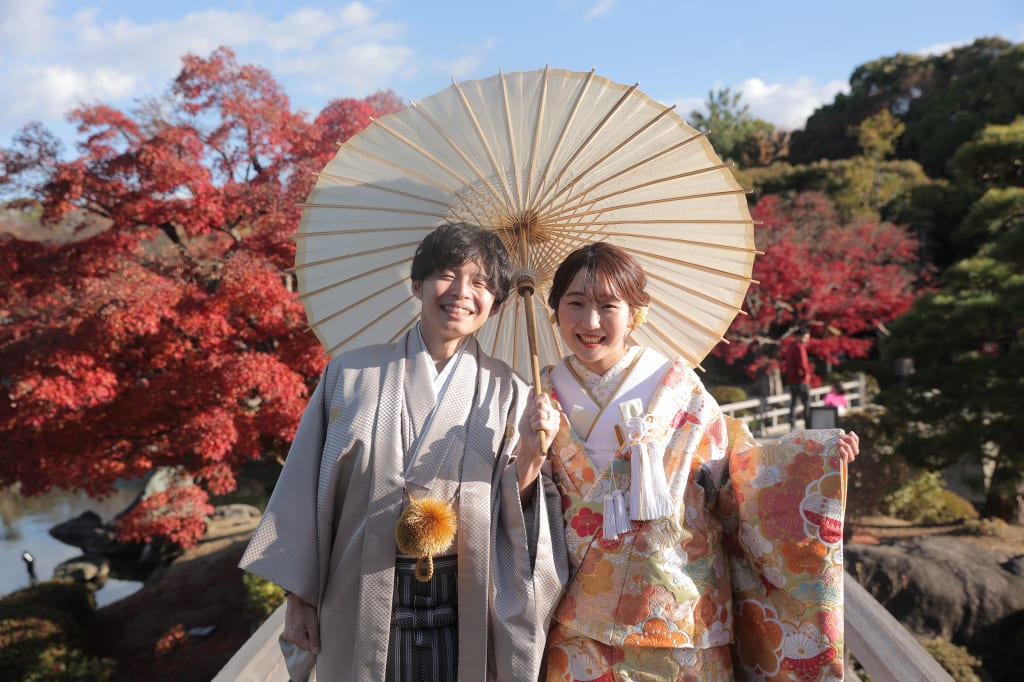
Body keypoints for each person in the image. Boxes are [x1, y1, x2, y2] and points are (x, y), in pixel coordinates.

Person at [240, 222, 568, 681]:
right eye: (447, 274)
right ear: (417, 284)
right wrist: (299, 600)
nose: (461, 292)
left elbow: (521, 520)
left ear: (495, 305)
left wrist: (532, 457)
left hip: (467, 596)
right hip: (361, 589)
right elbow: (304, 491)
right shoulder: (349, 376)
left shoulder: (512, 392)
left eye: (480, 283)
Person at [538, 243, 859, 680]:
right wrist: (529, 443)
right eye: (574, 303)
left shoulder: (675, 384)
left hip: (679, 604)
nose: (590, 322)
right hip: (577, 611)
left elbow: (730, 475)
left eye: (607, 305)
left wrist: (815, 461)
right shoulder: (541, 393)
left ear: (636, 313)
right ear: (553, 307)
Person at [784, 329, 812, 428]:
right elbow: (803, 363)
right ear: (800, 336)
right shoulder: (800, 348)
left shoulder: (790, 347)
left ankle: (792, 424)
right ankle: (809, 425)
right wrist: (807, 374)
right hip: (801, 379)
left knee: (794, 403)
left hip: (792, 379)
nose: (807, 340)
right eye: (806, 338)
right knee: (807, 403)